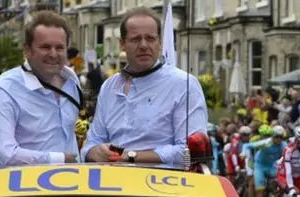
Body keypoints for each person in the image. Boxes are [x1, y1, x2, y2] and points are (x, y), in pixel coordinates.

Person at [81, 7, 207, 165]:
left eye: (150, 38)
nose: (143, 45)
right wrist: (95, 152)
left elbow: (189, 152)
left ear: (159, 42)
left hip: (163, 184)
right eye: (135, 39)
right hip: (111, 184)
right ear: (122, 44)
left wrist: (130, 156)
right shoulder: (109, 86)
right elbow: (91, 143)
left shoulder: (183, 84)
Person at [0, 11, 81, 169]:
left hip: (69, 185)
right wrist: (59, 159)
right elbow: (3, 155)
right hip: (17, 189)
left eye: (60, 47)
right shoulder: (5, 90)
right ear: (27, 50)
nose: (53, 54)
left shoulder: (71, 81)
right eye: (45, 47)